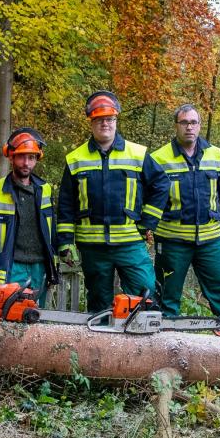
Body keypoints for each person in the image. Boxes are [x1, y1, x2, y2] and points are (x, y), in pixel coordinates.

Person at [56, 90, 169, 312]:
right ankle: (102, 345)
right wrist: (66, 241)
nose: (104, 124)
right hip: (93, 247)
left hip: (130, 243)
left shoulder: (137, 153)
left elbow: (161, 184)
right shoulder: (76, 159)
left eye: (109, 119)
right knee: (99, 302)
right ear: (91, 122)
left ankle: (140, 343)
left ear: (116, 121)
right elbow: (67, 204)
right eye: (99, 119)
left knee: (145, 293)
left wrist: (148, 222)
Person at [150, 104, 220, 316]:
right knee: (166, 297)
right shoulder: (158, 158)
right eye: (184, 122)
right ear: (176, 126)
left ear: (199, 125)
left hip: (210, 240)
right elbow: (151, 198)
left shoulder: (215, 154)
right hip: (172, 241)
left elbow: (218, 190)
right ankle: (165, 341)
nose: (189, 127)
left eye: (193, 122)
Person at [0, 128, 59, 305]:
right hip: (9, 265)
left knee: (35, 319)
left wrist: (53, 267)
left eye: (31, 157)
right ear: (11, 157)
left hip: (39, 267)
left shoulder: (44, 190)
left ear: (37, 159)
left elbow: (51, 232)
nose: (26, 163)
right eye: (21, 157)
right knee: (6, 318)